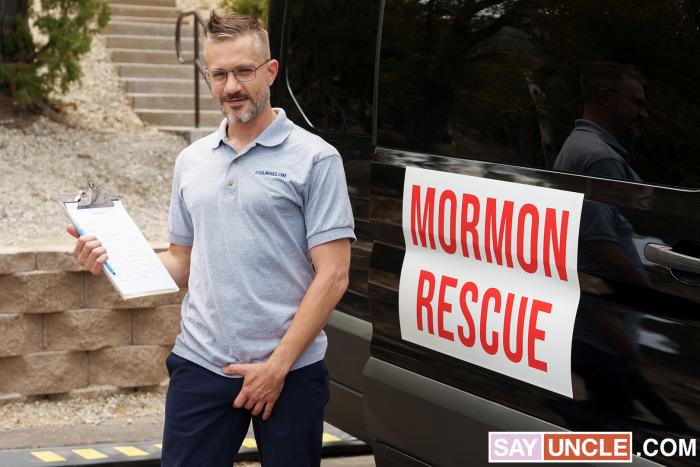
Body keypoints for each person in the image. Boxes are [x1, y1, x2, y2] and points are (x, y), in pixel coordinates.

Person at [68, 11, 355, 467]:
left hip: (290, 372)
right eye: (219, 75)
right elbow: (180, 262)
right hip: (201, 364)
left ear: (271, 72)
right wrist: (113, 259)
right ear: (207, 77)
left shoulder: (316, 159)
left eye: (244, 71)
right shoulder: (192, 161)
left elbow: (334, 276)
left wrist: (277, 366)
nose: (231, 86)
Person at [553, 61, 648, 181]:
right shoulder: (603, 158)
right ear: (605, 97)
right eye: (637, 103)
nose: (644, 115)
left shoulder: (577, 144)